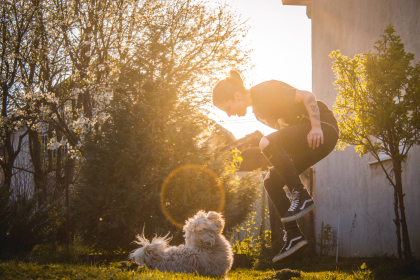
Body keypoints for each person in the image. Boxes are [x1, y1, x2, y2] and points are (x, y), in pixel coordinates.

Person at [212, 70, 339, 262]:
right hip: (309, 144)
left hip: (323, 129)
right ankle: (294, 235)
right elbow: (287, 138)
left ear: (237, 96)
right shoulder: (258, 113)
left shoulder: (266, 91)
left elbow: (307, 96)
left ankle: (300, 194)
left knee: (265, 143)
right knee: (271, 181)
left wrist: (316, 126)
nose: (229, 114)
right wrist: (287, 167)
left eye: (228, 108)